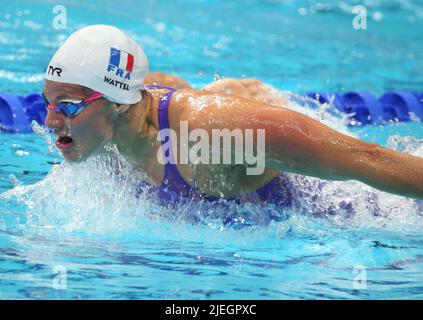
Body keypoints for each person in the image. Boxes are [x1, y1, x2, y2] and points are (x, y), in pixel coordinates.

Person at [43, 25, 423, 207]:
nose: (50, 121)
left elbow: (367, 158)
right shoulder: (103, 129)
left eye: (68, 106)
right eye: (48, 102)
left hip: (346, 206)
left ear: (118, 103)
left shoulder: (215, 135)